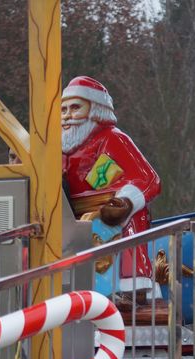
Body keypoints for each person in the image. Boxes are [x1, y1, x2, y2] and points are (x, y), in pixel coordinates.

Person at [61, 76, 161, 296]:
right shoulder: (61, 149)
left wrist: (125, 202)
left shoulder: (113, 139)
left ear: (95, 108)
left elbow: (148, 179)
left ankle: (134, 287)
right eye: (64, 109)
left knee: (126, 223)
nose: (67, 116)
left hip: (110, 214)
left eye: (75, 107)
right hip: (71, 216)